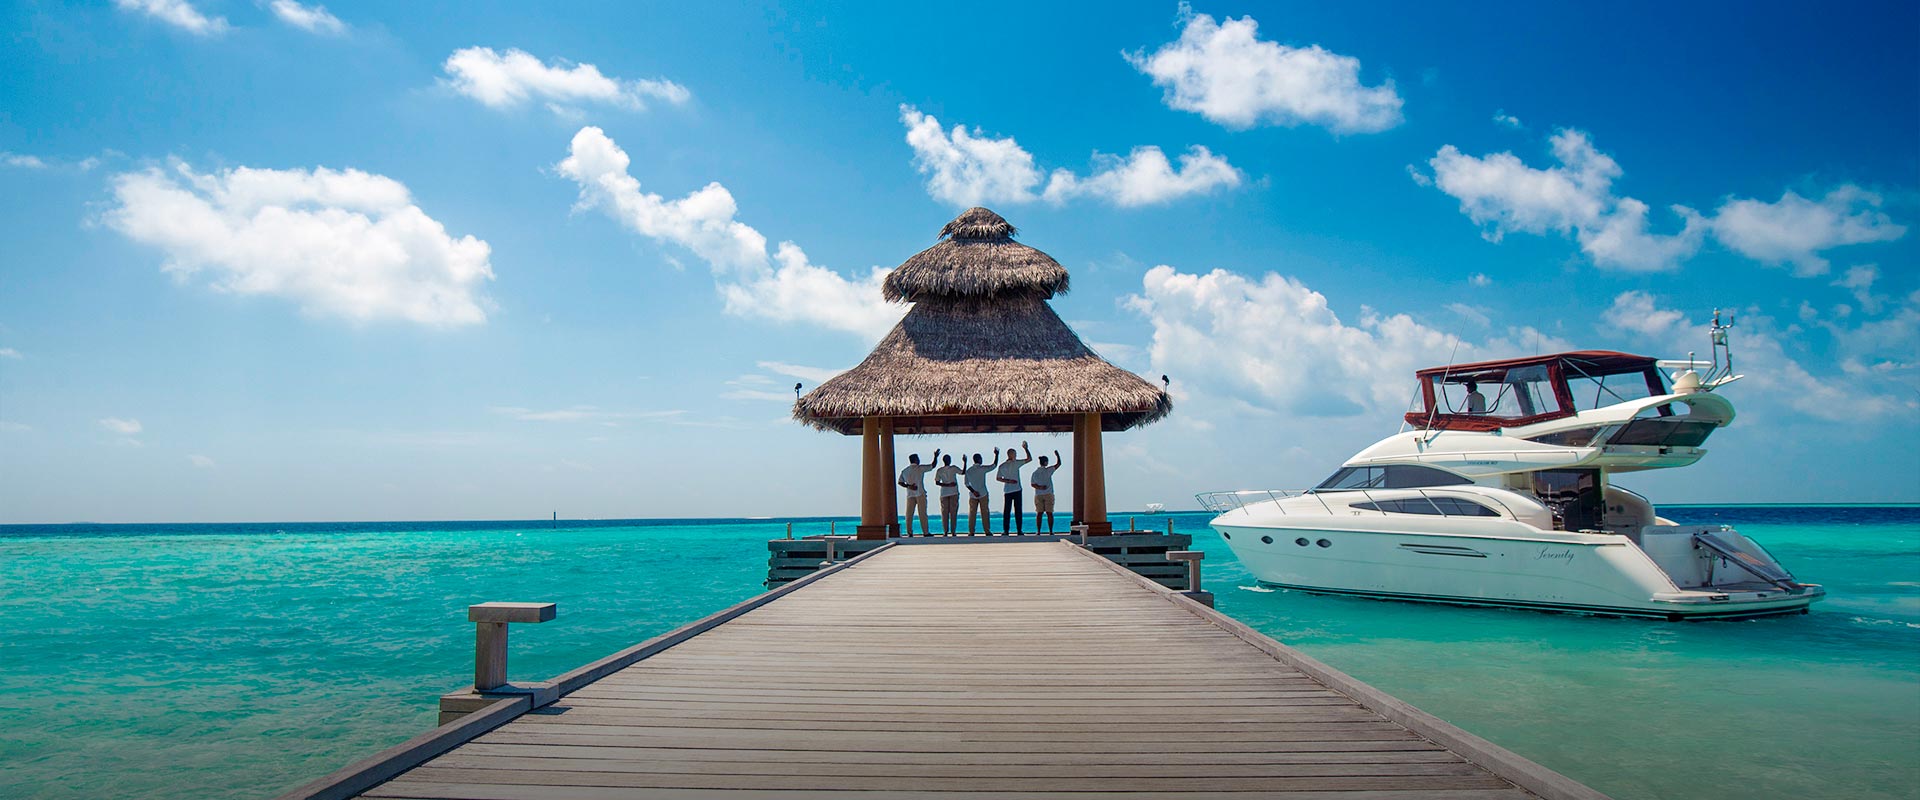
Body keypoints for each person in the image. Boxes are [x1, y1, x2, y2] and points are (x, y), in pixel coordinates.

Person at [896, 449, 937, 537]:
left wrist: (909, 486)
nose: (919, 460)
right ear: (915, 460)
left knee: (909, 514)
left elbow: (900, 482)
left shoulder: (905, 471)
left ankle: (909, 532)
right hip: (920, 493)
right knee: (922, 513)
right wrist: (935, 456)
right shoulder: (920, 468)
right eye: (918, 458)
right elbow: (932, 465)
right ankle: (925, 532)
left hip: (910, 494)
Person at [996, 441, 1033, 534]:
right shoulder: (1008, 464)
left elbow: (999, 478)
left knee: (1012, 511)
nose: (1016, 455)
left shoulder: (1004, 465)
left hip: (1014, 490)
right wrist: (1009, 481)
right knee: (1013, 511)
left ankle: (1013, 530)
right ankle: (1012, 530)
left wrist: (1026, 449)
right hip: (1011, 490)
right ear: (1011, 455)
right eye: (1015, 454)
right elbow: (1029, 459)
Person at [963, 451, 998, 535]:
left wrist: (973, 491)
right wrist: (997, 455)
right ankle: (987, 530)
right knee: (985, 513)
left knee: (972, 513)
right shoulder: (982, 469)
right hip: (983, 493)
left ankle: (971, 531)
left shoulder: (969, 471)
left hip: (972, 494)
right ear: (979, 459)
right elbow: (994, 465)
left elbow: (966, 483)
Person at [1030, 450, 1062, 534]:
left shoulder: (1035, 473)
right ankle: (1051, 531)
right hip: (1048, 494)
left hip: (1038, 494)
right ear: (1045, 462)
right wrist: (1057, 455)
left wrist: (1040, 487)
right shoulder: (1048, 470)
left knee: (1039, 513)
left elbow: (1032, 484)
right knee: (1049, 513)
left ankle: (1038, 531)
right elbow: (1059, 464)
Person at [933, 453, 964, 535]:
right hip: (953, 492)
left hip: (944, 493)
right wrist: (965, 462)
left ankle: (945, 531)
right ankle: (953, 531)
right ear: (949, 460)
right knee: (953, 513)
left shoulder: (940, 470)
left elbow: (937, 482)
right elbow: (963, 472)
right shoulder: (953, 468)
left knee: (944, 513)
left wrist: (946, 485)